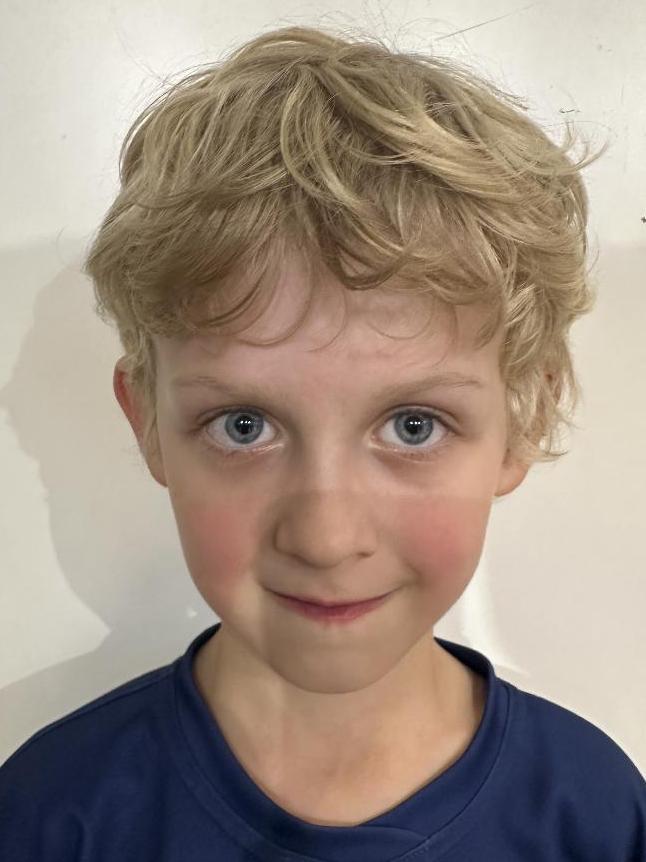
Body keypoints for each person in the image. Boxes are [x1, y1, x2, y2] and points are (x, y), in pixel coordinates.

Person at [1, 23, 644, 861]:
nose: (326, 538)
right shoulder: (48, 816)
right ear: (148, 422)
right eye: (244, 426)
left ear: (523, 421)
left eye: (413, 426)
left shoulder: (594, 817)